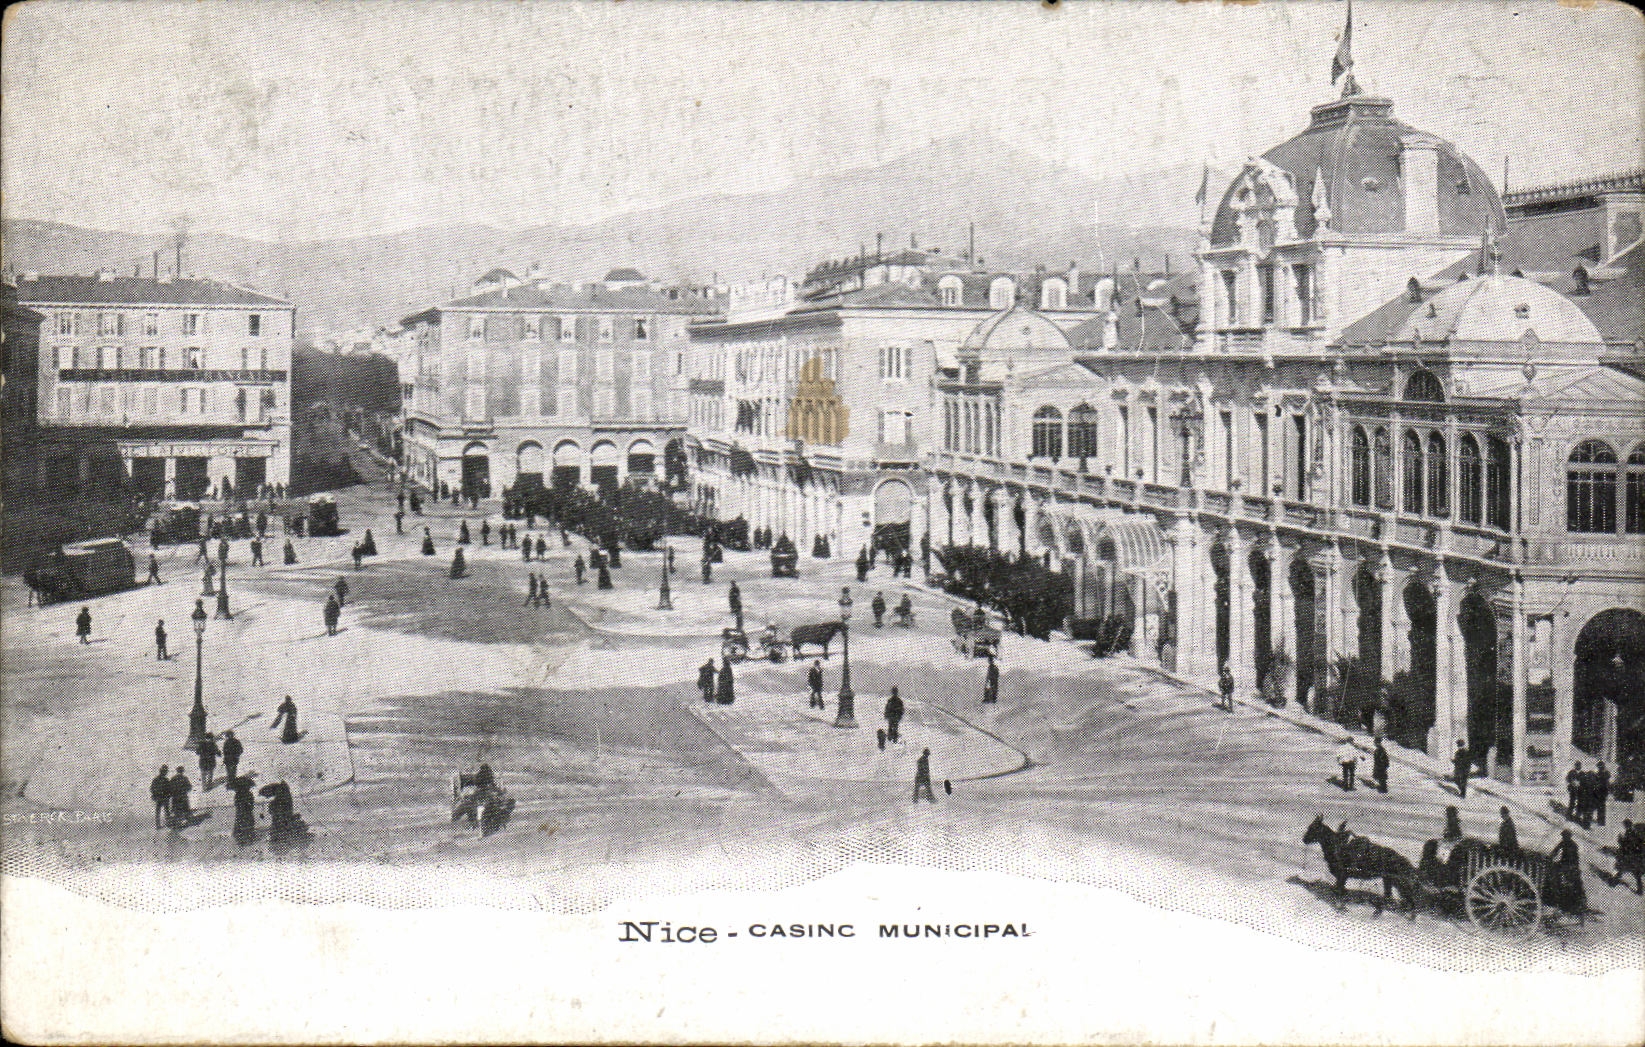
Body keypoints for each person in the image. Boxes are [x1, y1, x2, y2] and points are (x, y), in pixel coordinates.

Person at [229, 773, 258, 846]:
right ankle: (249, 839)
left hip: (240, 813)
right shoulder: (249, 794)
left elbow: (237, 804)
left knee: (240, 824)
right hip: (248, 813)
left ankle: (240, 839)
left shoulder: (237, 795)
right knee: (248, 825)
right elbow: (251, 804)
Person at [1595, 761, 1612, 827]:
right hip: (1600, 792)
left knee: (1601, 807)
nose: (1600, 768)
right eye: (1599, 767)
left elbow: (1607, 782)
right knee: (1600, 807)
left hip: (1602, 792)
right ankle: (1600, 820)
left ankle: (1601, 821)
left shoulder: (1604, 774)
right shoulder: (1600, 773)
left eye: (1600, 766)